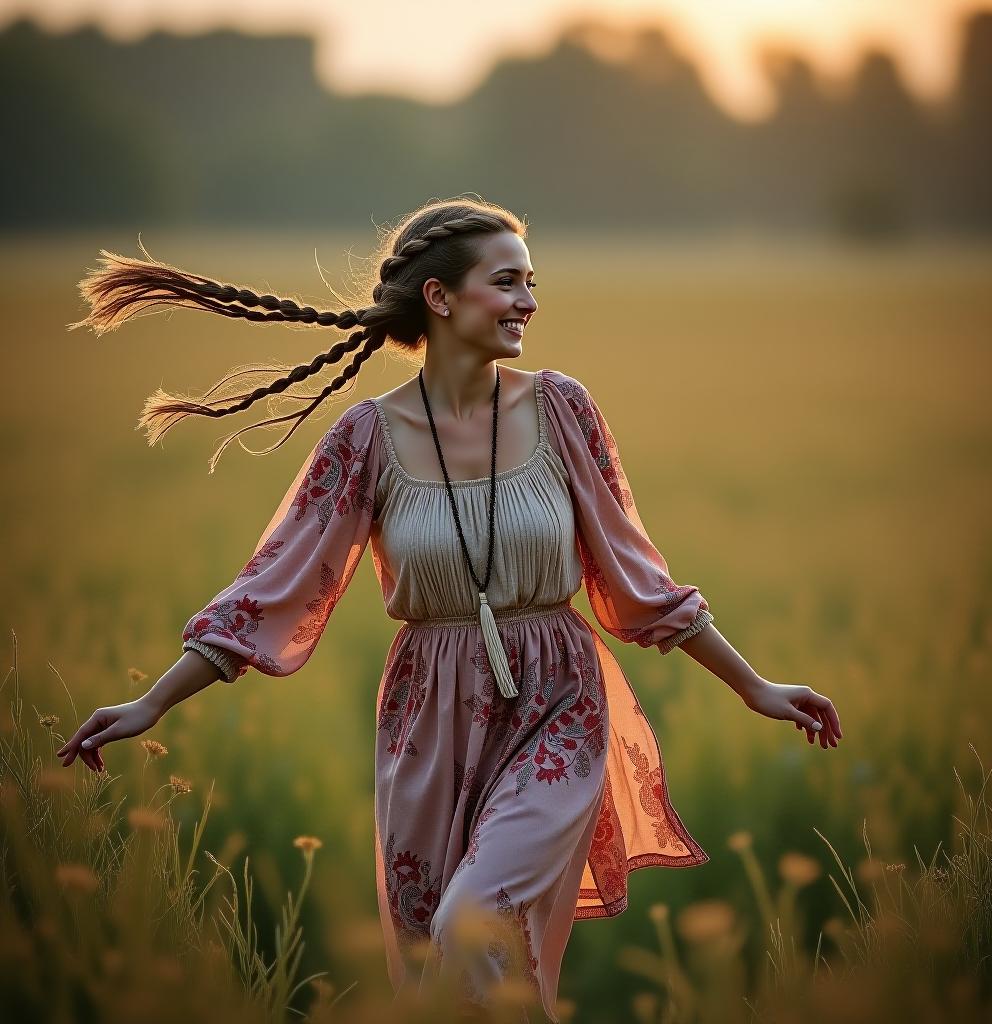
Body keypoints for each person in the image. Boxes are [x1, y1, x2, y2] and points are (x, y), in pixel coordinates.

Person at [58, 196, 842, 1022]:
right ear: (440, 298)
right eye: (506, 283)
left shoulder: (563, 410)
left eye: (531, 283)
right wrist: (152, 700)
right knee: (447, 967)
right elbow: (272, 589)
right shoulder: (365, 439)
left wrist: (754, 685)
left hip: (557, 704)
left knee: (476, 924)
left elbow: (639, 576)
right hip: (428, 717)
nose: (529, 304)